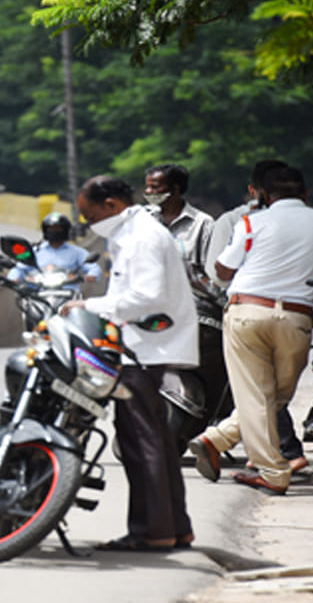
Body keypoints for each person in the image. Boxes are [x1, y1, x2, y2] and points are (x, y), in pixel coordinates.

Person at [190, 167, 313, 495]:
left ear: (261, 195)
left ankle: (217, 438)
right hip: (296, 318)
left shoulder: (251, 222)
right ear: (306, 194)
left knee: (260, 395)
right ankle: (271, 470)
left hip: (247, 312)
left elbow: (223, 269)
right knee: (276, 395)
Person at [61, 175, 197, 551]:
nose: (88, 223)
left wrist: (88, 305)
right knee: (156, 441)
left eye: (89, 215)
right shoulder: (132, 233)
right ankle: (175, 527)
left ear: (111, 206)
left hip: (143, 350)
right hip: (142, 347)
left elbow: (147, 295)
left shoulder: (142, 238)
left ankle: (151, 532)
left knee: (141, 442)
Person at [205, 160, 308, 473]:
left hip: (260, 311)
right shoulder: (235, 221)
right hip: (264, 312)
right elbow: (218, 272)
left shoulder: (296, 223)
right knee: (266, 390)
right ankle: (277, 459)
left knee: (270, 391)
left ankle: (222, 439)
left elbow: (221, 271)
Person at [144, 164, 214, 289]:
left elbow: (211, 271)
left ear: (175, 189)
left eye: (154, 187)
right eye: (148, 187)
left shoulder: (202, 223)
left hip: (191, 301)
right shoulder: (144, 220)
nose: (148, 192)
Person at [6, 212, 101, 290]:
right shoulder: (35, 251)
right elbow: (19, 268)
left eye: (58, 229)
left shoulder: (77, 252)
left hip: (68, 294)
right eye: (51, 229)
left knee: (77, 312)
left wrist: (91, 275)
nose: (54, 231)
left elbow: (93, 267)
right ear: (45, 231)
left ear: (65, 231)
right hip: (38, 294)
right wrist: (13, 278)